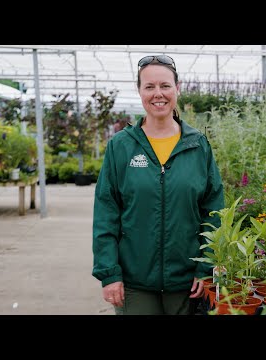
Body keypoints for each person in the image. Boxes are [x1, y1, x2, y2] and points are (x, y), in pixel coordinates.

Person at [92, 54, 224, 315]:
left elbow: (213, 211)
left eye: (165, 85)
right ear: (139, 90)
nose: (158, 94)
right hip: (134, 283)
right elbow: (106, 212)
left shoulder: (197, 145)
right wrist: (109, 272)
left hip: (187, 283)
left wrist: (205, 267)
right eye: (149, 86)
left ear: (178, 88)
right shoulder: (121, 146)